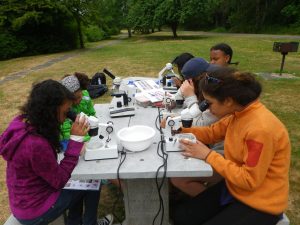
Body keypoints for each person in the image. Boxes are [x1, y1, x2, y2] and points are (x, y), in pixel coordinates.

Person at [172, 67, 290, 225]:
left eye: (209, 103)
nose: (206, 107)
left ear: (228, 100)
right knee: (181, 217)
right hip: (234, 188)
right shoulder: (238, 114)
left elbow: (249, 180)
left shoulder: (261, 129)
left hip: (261, 202)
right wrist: (179, 129)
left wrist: (207, 155)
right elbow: (211, 133)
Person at [0, 80, 94, 224]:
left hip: (22, 201)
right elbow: (59, 180)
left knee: (78, 186)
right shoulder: (35, 144)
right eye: (65, 113)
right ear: (50, 111)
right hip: (35, 210)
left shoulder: (22, 122)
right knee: (92, 185)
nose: (65, 119)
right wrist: (75, 140)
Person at [60, 75, 113, 225]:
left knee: (92, 180)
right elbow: (65, 133)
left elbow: (92, 114)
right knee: (85, 182)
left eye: (79, 97)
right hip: (70, 150)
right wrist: (85, 141)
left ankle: (87, 220)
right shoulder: (62, 109)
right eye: (73, 100)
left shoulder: (85, 96)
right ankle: (82, 221)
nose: (77, 102)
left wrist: (91, 125)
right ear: (65, 99)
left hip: (82, 144)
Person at [168, 58, 223, 197]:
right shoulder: (206, 91)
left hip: (221, 154)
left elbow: (199, 123)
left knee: (178, 175)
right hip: (211, 145)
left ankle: (211, 207)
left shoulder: (217, 97)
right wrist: (182, 92)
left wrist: (190, 96)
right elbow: (207, 131)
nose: (208, 78)